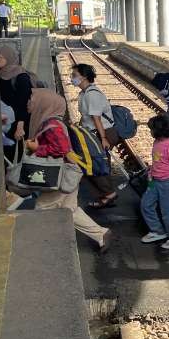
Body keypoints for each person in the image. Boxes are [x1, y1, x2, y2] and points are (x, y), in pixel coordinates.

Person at [26, 90, 110, 252]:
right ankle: (101, 234)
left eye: (32, 99)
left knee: (42, 208)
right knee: (69, 210)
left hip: (59, 176)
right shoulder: (53, 122)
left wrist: (37, 148)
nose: (29, 102)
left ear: (45, 103)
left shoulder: (51, 125)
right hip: (69, 173)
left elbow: (60, 148)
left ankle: (38, 248)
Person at [71, 63, 120, 209]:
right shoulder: (84, 93)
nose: (72, 78)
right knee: (96, 163)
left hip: (102, 132)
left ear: (84, 77)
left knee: (95, 164)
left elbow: (96, 118)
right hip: (94, 132)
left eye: (74, 75)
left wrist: (103, 138)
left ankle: (108, 194)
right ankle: (105, 194)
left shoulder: (92, 94)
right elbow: (87, 117)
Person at [140, 114, 169, 252]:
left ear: (158, 131)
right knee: (145, 204)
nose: (150, 132)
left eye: (151, 130)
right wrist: (151, 173)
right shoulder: (157, 142)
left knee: (168, 212)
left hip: (167, 183)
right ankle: (157, 231)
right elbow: (157, 161)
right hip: (154, 181)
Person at [0, 45, 32, 142]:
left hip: (18, 124)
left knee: (15, 150)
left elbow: (24, 104)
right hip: (4, 121)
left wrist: (20, 127)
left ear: (8, 58)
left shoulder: (21, 77)